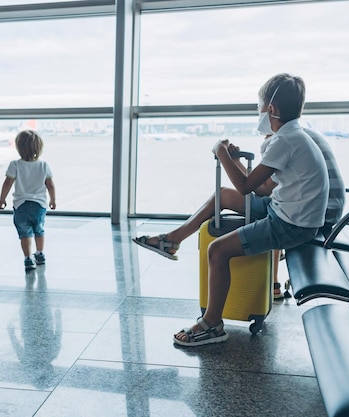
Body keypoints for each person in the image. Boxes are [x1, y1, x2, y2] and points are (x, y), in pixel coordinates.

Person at [133, 73, 329, 346]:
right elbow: (263, 188)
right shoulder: (293, 135)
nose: (259, 111)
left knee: (217, 250)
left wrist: (222, 152)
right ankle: (172, 241)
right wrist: (234, 160)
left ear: (271, 109)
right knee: (222, 195)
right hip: (287, 210)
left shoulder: (285, 141)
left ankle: (212, 324)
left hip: (292, 224)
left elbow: (248, 187)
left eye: (259, 106)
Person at [273, 127, 346, 299]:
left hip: (321, 212)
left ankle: (273, 285)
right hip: (334, 207)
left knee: (273, 210)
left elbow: (269, 188)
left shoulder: (285, 140)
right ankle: (277, 259)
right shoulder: (305, 134)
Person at [0, 130, 56, 271]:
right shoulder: (44, 165)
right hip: (39, 205)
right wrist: (53, 199)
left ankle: (28, 258)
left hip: (21, 206)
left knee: (24, 233)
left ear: (19, 147)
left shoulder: (15, 165)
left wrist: (2, 198)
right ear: (39, 148)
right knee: (39, 230)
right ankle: (40, 253)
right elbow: (50, 185)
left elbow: (8, 183)